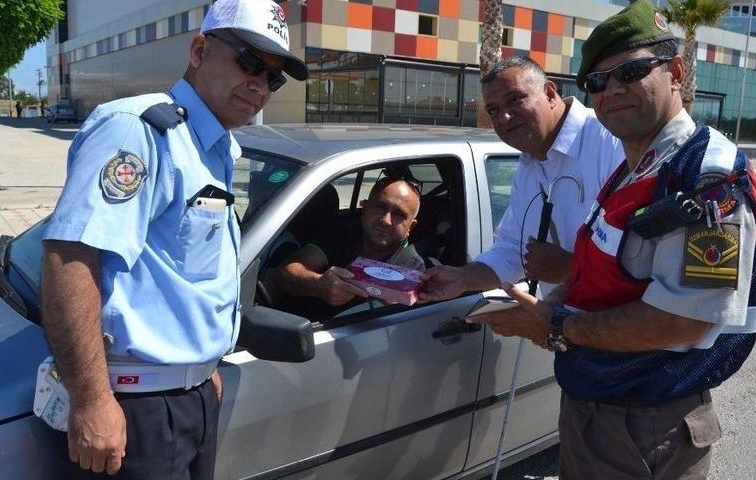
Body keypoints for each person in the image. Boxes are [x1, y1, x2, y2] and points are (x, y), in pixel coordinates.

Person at [468, 1, 756, 478]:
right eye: (597, 82)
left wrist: (552, 326)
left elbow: (680, 323)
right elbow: (605, 276)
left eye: (630, 71)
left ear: (675, 71)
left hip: (646, 425)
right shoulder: (636, 170)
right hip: (602, 409)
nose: (612, 90)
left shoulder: (705, 179)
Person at [39, 1, 308, 478]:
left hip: (193, 398)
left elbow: (185, 277)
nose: (260, 85)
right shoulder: (139, 130)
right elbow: (71, 260)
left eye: (273, 78)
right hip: (136, 409)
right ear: (200, 49)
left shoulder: (216, 147)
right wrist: (93, 400)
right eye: (249, 63)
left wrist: (204, 368)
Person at [419, 56, 623, 303]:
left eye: (515, 99)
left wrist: (571, 268)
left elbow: (642, 257)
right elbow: (513, 250)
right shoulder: (529, 165)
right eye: (493, 110)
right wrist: (462, 278)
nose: (504, 117)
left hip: (619, 331)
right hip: (567, 329)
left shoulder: (612, 140)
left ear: (549, 93)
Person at [275, 175, 425, 318]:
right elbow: (287, 272)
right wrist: (317, 285)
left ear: (411, 227)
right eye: (380, 207)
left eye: (399, 214)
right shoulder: (340, 234)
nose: (386, 220)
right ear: (364, 208)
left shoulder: (412, 269)